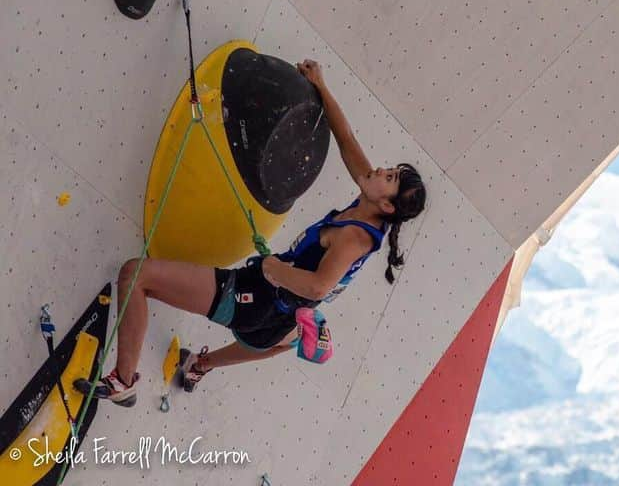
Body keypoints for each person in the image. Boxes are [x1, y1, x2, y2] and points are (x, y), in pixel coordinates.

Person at [82, 60, 427, 406]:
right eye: (391, 170)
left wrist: (273, 269)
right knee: (274, 340)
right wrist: (321, 86)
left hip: (257, 297)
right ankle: (201, 364)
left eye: (390, 177)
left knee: (135, 275)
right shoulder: (370, 203)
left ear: (388, 206)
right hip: (280, 322)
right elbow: (347, 140)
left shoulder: (355, 236)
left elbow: (318, 286)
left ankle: (123, 382)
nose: (381, 170)